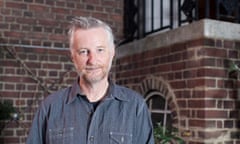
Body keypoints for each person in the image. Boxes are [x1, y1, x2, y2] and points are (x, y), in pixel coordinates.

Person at [26, 16, 154, 144]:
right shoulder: (49, 107)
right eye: (83, 51)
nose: (92, 60)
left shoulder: (135, 106)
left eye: (100, 50)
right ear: (72, 57)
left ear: (112, 52)